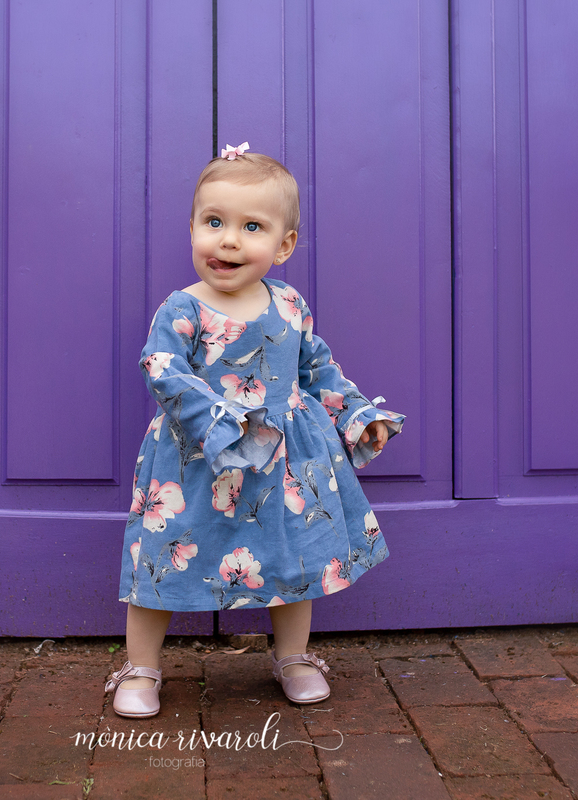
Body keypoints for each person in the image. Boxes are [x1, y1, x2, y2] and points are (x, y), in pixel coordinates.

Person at [106, 143, 404, 718]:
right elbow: (162, 370)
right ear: (192, 228)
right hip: (198, 462)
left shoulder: (289, 303)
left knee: (293, 558)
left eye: (251, 227)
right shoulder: (182, 309)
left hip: (285, 463)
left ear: (283, 245)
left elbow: (317, 368)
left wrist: (356, 415)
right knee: (163, 555)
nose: (228, 241)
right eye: (213, 222)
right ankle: (140, 667)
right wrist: (222, 420)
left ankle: (293, 657)